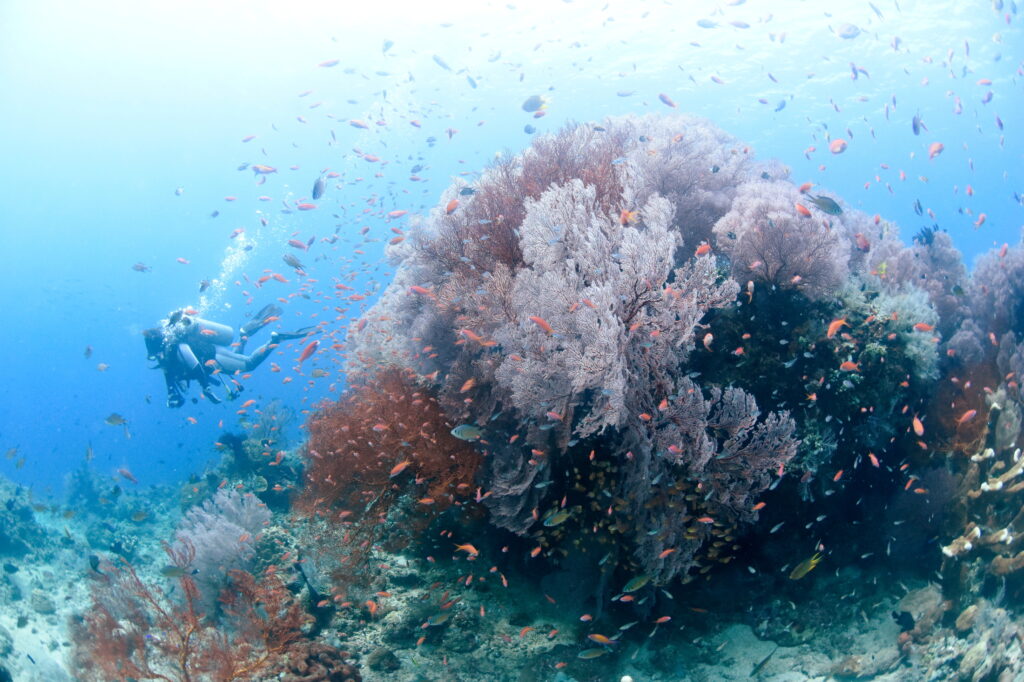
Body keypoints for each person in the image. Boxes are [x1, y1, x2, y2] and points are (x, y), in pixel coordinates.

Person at [143, 304, 312, 408]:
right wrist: (171, 395)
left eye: (155, 353)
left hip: (214, 356)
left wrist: (206, 389)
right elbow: (169, 377)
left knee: (249, 364)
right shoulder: (165, 355)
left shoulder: (177, 347)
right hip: (213, 358)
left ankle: (275, 339)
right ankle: (244, 334)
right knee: (236, 366)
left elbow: (194, 365)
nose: (157, 356)